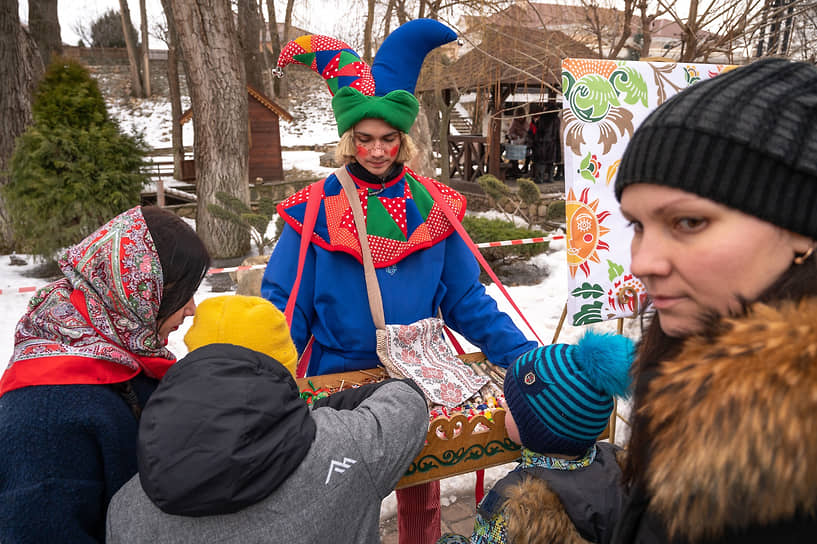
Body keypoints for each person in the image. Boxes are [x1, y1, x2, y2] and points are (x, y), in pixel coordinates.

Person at [263, 19, 538, 544]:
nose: (376, 150)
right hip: (339, 385)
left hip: (420, 378)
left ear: (404, 138)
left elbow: (464, 299)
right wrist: (265, 383)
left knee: (422, 496)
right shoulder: (317, 208)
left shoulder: (432, 204)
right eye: (364, 138)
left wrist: (524, 356)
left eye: (389, 138)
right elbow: (286, 305)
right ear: (348, 139)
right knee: (344, 503)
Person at [612, 57, 817, 543]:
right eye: (637, 225)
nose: (643, 262)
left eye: (688, 222)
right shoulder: (683, 362)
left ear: (802, 232)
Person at [105, 294, 429, 544]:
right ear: (283, 371)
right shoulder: (347, 445)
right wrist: (316, 412)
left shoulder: (126, 511)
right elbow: (407, 399)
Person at [0, 206, 210, 543]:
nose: (191, 308)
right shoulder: (46, 414)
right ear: (139, 289)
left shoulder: (124, 351)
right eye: (182, 292)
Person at [438, 331, 633, 544]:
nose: (503, 405)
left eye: (511, 406)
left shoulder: (512, 505)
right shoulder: (619, 465)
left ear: (534, 430)